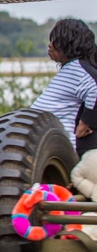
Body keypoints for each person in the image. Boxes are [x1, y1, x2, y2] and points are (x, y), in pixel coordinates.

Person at [30, 18, 97, 155]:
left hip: (60, 147)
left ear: (69, 44)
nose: (50, 45)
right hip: (47, 142)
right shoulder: (72, 68)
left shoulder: (79, 68)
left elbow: (95, 88)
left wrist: (84, 124)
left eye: (55, 41)